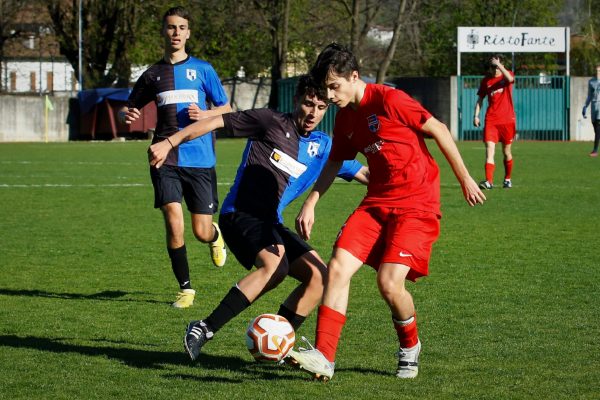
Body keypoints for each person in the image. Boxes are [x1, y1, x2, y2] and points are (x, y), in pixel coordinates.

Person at [288, 43, 486, 381]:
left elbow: (437, 128)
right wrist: (312, 201)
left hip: (417, 203)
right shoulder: (346, 119)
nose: (330, 95)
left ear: (354, 77)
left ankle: (410, 347)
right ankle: (324, 356)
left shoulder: (389, 100)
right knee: (336, 267)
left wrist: (465, 177)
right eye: (326, 88)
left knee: (389, 284)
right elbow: (335, 160)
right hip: (376, 203)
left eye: (335, 86)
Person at [147, 75, 369, 361]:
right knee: (275, 265)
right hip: (240, 213)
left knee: (320, 276)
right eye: (308, 104)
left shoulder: (324, 146)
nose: (313, 113)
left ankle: (278, 340)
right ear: (295, 101)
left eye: (321, 107)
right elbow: (216, 122)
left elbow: (364, 174)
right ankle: (204, 328)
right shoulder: (269, 121)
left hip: (270, 222)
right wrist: (169, 142)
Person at [118, 6, 231, 309]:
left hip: (200, 159)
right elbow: (129, 107)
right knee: (173, 220)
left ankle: (214, 235)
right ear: (164, 32)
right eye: (171, 27)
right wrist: (125, 112)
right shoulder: (153, 74)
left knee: (200, 231)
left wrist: (206, 113)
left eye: (181, 27)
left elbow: (227, 108)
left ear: (188, 33)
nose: (176, 33)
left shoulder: (203, 70)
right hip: (163, 158)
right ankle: (186, 289)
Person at [473, 54, 516, 189]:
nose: (493, 69)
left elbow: (510, 78)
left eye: (495, 66)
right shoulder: (486, 81)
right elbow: (480, 99)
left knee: (506, 152)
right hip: (491, 120)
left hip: (507, 120)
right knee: (489, 150)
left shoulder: (507, 75)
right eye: (492, 67)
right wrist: (476, 116)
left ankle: (507, 179)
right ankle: (489, 181)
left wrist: (499, 65)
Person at [582, 63, 600, 157]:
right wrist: (585, 106)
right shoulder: (591, 82)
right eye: (596, 71)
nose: (598, 72)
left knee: (598, 127)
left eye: (599, 71)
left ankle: (595, 151)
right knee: (595, 127)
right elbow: (589, 95)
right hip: (594, 106)